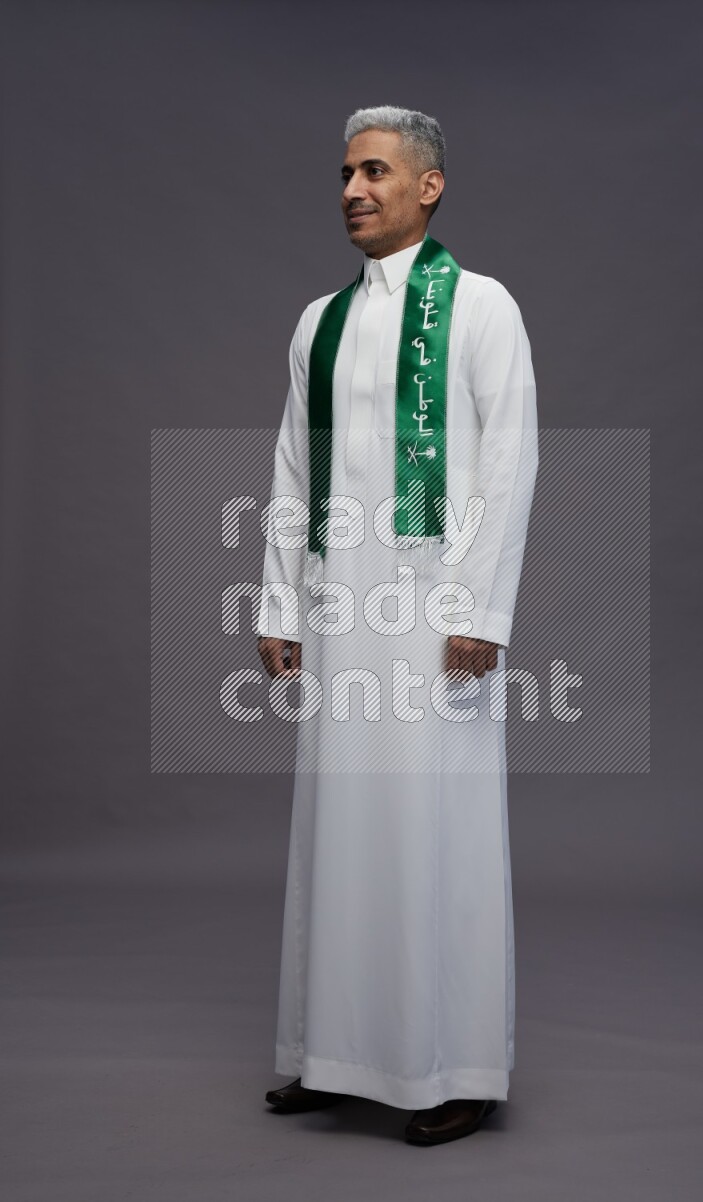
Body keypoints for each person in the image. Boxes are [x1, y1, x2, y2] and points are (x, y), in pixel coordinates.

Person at [257, 105, 539, 1145]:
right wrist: (279, 601)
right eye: (342, 173)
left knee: (438, 828)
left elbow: (508, 464)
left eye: (373, 171)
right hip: (343, 606)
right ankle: (332, 1051)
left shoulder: (479, 307)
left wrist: (478, 609)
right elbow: (293, 465)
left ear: (428, 186)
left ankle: (456, 1064)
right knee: (338, 824)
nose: (351, 190)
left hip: (433, 607)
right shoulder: (315, 321)